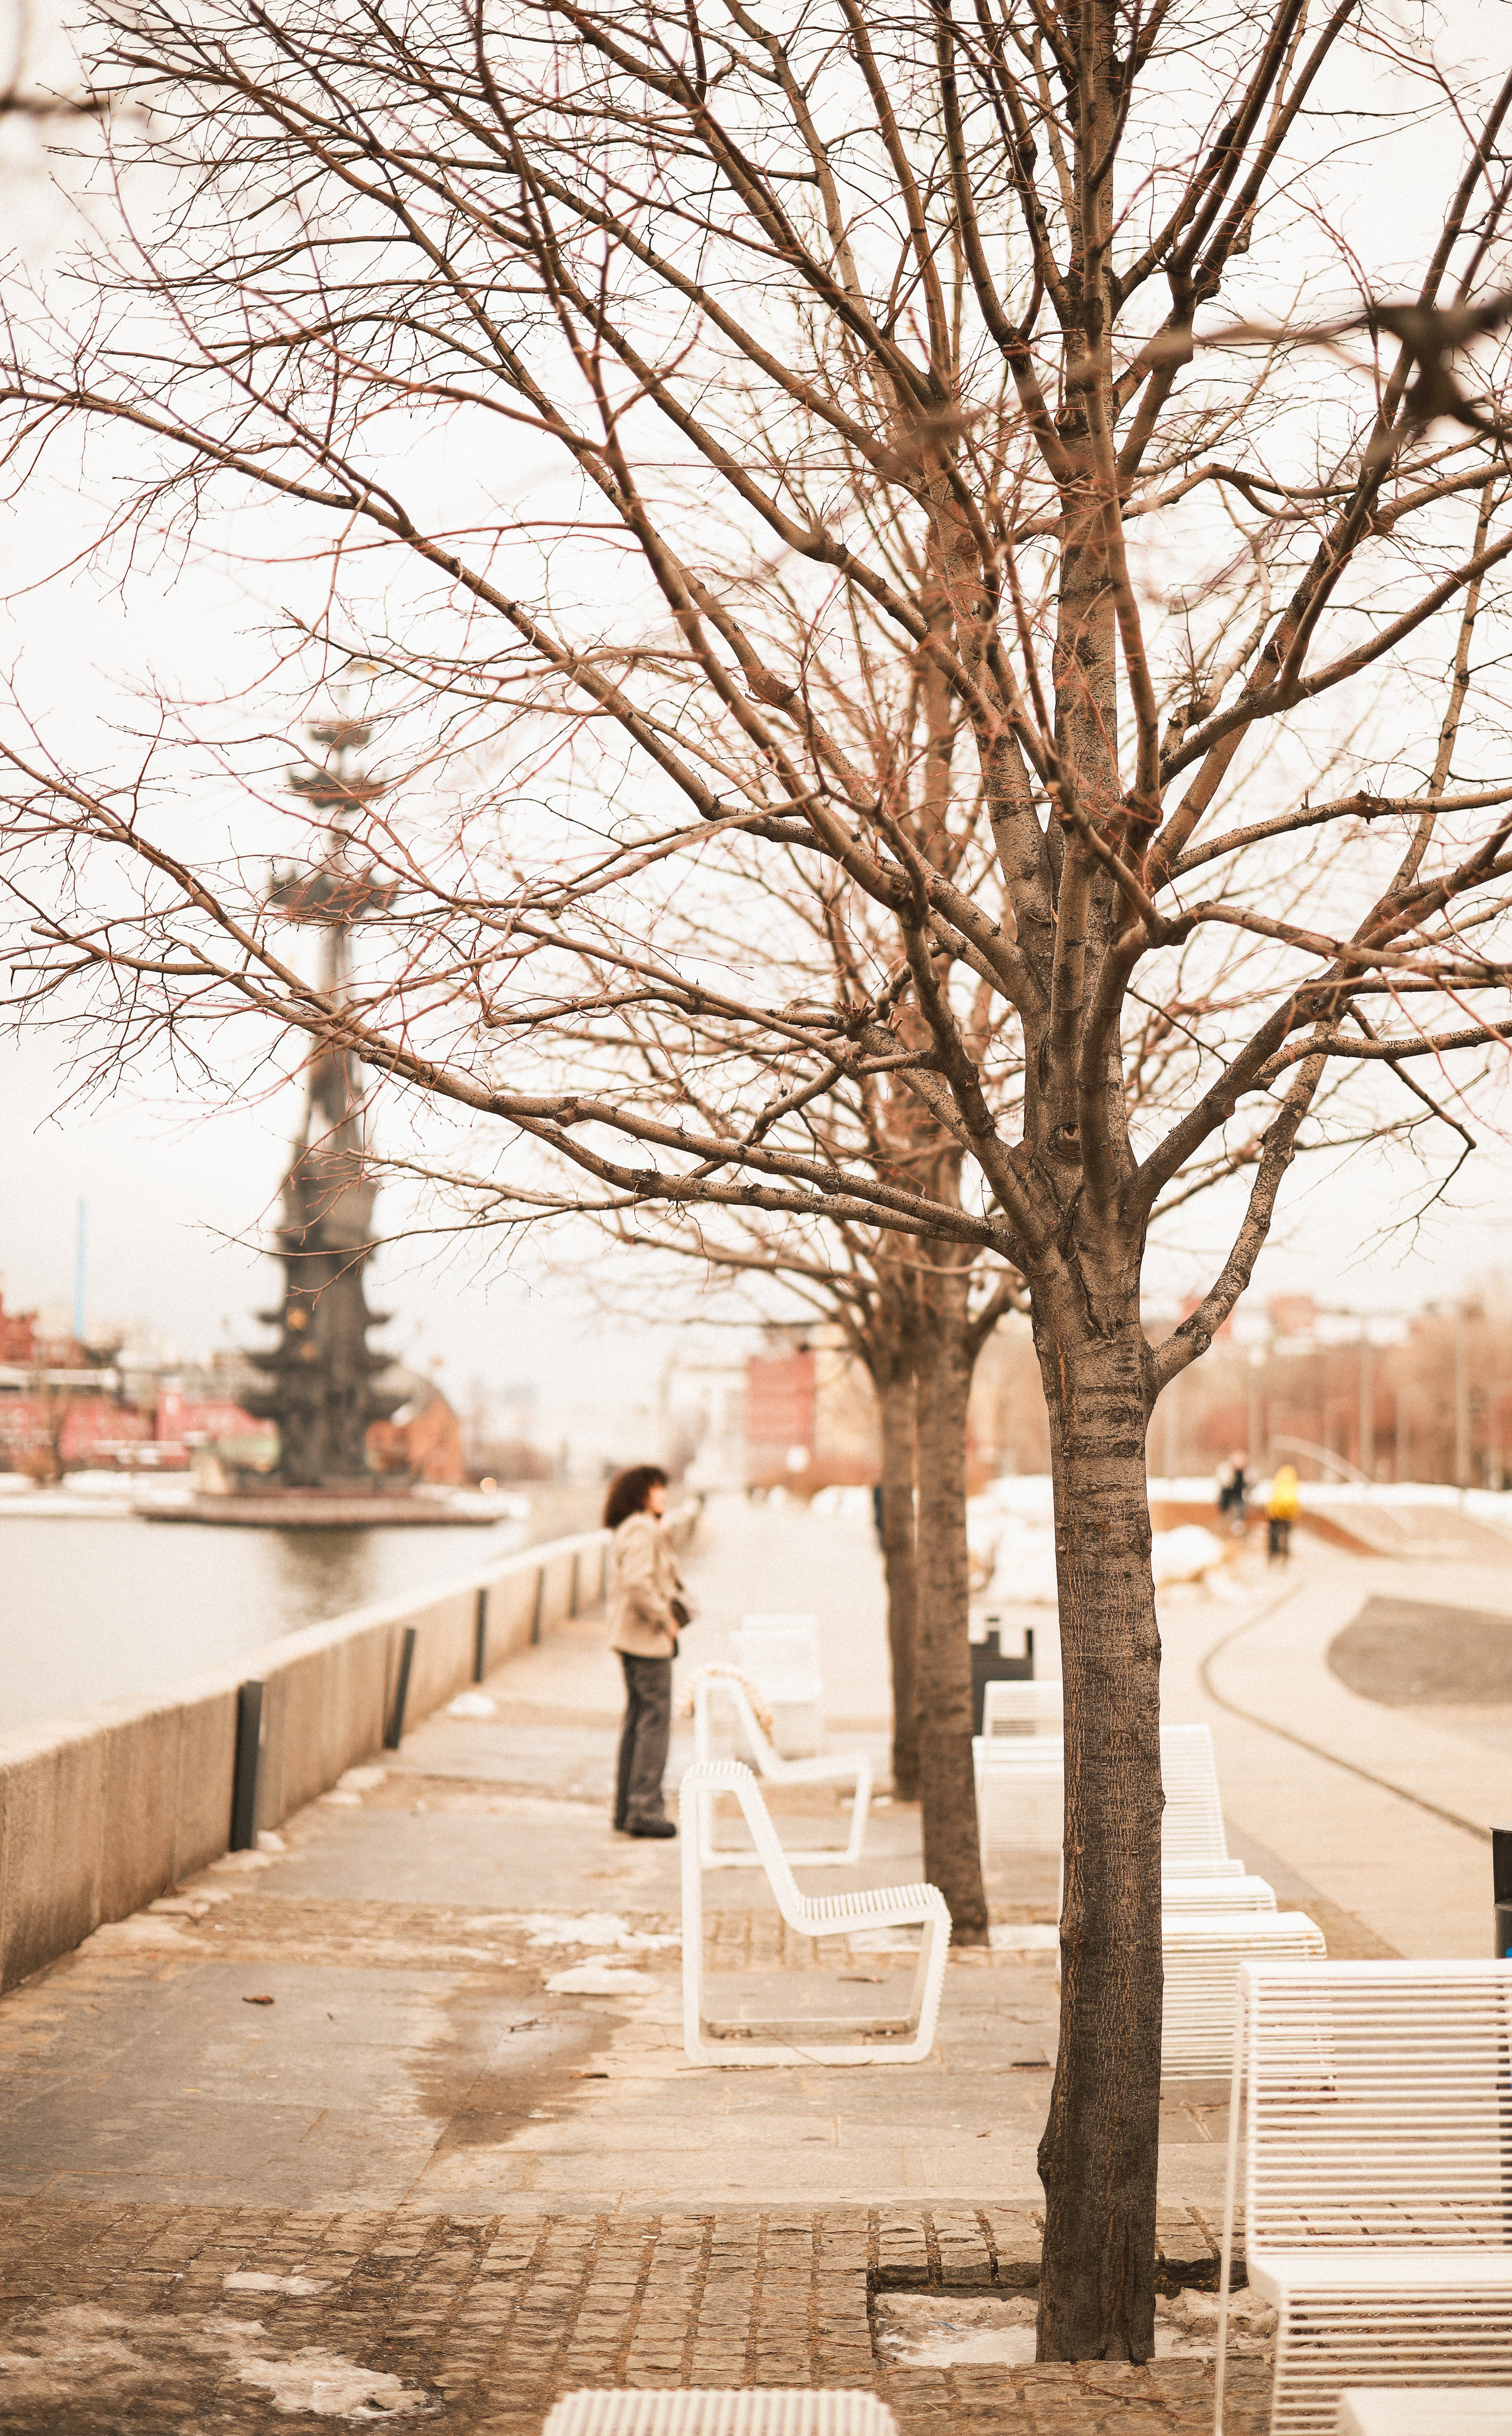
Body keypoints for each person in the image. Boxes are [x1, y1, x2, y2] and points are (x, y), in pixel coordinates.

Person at [605, 1462, 690, 1839]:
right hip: (646, 1642)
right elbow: (639, 1583)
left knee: (637, 1724)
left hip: (631, 1641)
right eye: (657, 1487)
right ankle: (645, 1808)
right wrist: (665, 1620)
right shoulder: (642, 1529)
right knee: (654, 1726)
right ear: (641, 1493)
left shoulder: (632, 1528)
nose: (664, 1494)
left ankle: (626, 1809)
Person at [1267, 1462, 1299, 1564]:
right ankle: (1285, 1554)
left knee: (1274, 1533)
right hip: (1288, 1513)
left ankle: (1273, 1553)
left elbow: (1274, 1496)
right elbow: (1296, 1498)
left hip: (1276, 1512)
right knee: (1286, 1534)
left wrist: (1270, 1511)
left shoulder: (1279, 1478)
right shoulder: (1292, 1478)